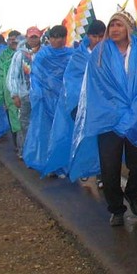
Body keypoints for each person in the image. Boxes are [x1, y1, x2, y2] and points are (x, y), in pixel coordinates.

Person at [73, 11, 137, 226]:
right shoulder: (100, 53)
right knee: (109, 168)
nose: (114, 29)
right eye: (112, 25)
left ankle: (132, 193)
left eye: (119, 25)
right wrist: (116, 111)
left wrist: (133, 111)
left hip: (136, 118)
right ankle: (116, 208)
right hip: (108, 119)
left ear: (129, 28)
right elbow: (96, 87)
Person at [47, 20, 105, 178]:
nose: (98, 40)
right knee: (83, 137)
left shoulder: (109, 53)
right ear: (88, 36)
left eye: (101, 36)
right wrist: (75, 104)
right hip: (81, 105)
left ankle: (101, 174)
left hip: (103, 106)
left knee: (102, 140)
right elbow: (71, 81)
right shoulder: (78, 56)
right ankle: (84, 167)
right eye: (95, 36)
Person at [22, 25, 72, 175]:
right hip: (46, 101)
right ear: (49, 39)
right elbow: (35, 78)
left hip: (63, 102)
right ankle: (48, 163)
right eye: (55, 37)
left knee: (63, 132)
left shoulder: (71, 54)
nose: (58, 40)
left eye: (61, 37)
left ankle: (62, 163)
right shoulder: (43, 56)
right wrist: (38, 96)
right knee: (46, 133)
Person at [7, 26, 43, 159]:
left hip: (41, 96)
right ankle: (24, 151)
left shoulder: (44, 52)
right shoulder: (20, 54)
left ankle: (38, 152)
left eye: (36, 37)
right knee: (24, 124)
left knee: (40, 124)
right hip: (24, 95)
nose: (33, 39)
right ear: (27, 37)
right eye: (31, 37)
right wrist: (14, 94)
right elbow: (12, 75)